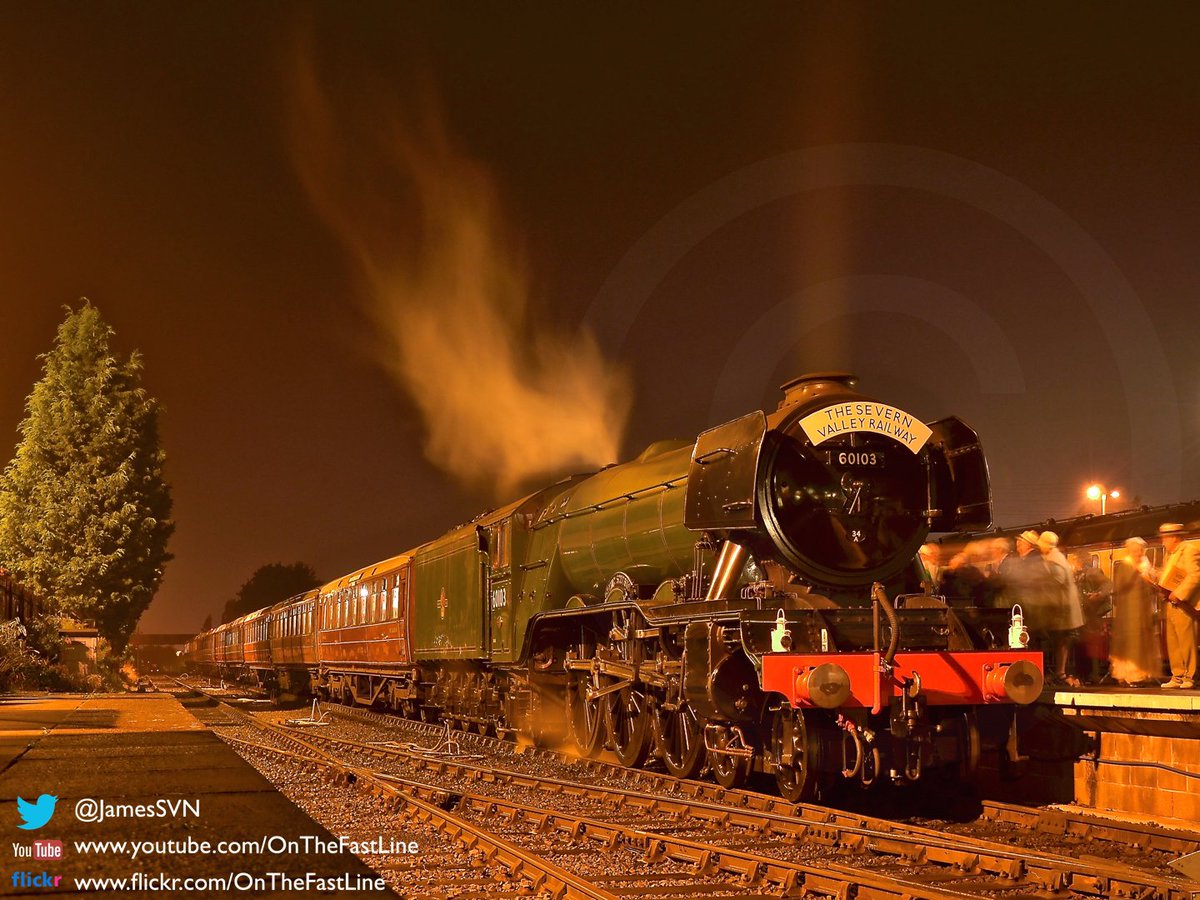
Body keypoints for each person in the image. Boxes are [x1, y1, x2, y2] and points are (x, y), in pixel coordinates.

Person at [1109, 537, 1163, 686]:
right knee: (1131, 642)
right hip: (1129, 610)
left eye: (1140, 550)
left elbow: (1153, 582)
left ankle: (1144, 673)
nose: (1138, 553)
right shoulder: (1126, 565)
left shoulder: (1146, 564)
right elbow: (1120, 586)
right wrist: (1135, 574)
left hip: (1145, 609)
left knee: (1144, 641)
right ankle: (1130, 674)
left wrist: (1153, 578)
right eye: (1135, 550)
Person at [1038, 531, 1084, 687]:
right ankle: (1059, 672)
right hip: (1062, 609)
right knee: (1059, 642)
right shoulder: (1056, 557)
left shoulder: (1054, 560)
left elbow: (1056, 584)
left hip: (1061, 610)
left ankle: (1059, 673)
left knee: (1060, 642)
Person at [1157, 523, 1200, 689]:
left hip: (1184, 603)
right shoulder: (1171, 554)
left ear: (1174, 537)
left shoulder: (1189, 550)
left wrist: (1179, 593)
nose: (1163, 542)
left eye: (1164, 538)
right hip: (1171, 602)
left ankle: (1190, 675)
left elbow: (1196, 575)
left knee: (1186, 639)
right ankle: (1178, 675)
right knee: (1173, 641)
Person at [1071, 553, 1113, 684]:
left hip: (1092, 614)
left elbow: (1108, 584)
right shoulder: (1077, 575)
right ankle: (1084, 675)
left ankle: (1091, 674)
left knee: (1089, 644)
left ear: (1080, 561)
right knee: (1083, 644)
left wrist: (1098, 594)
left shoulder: (1093, 572)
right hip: (1082, 614)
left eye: (1074, 560)